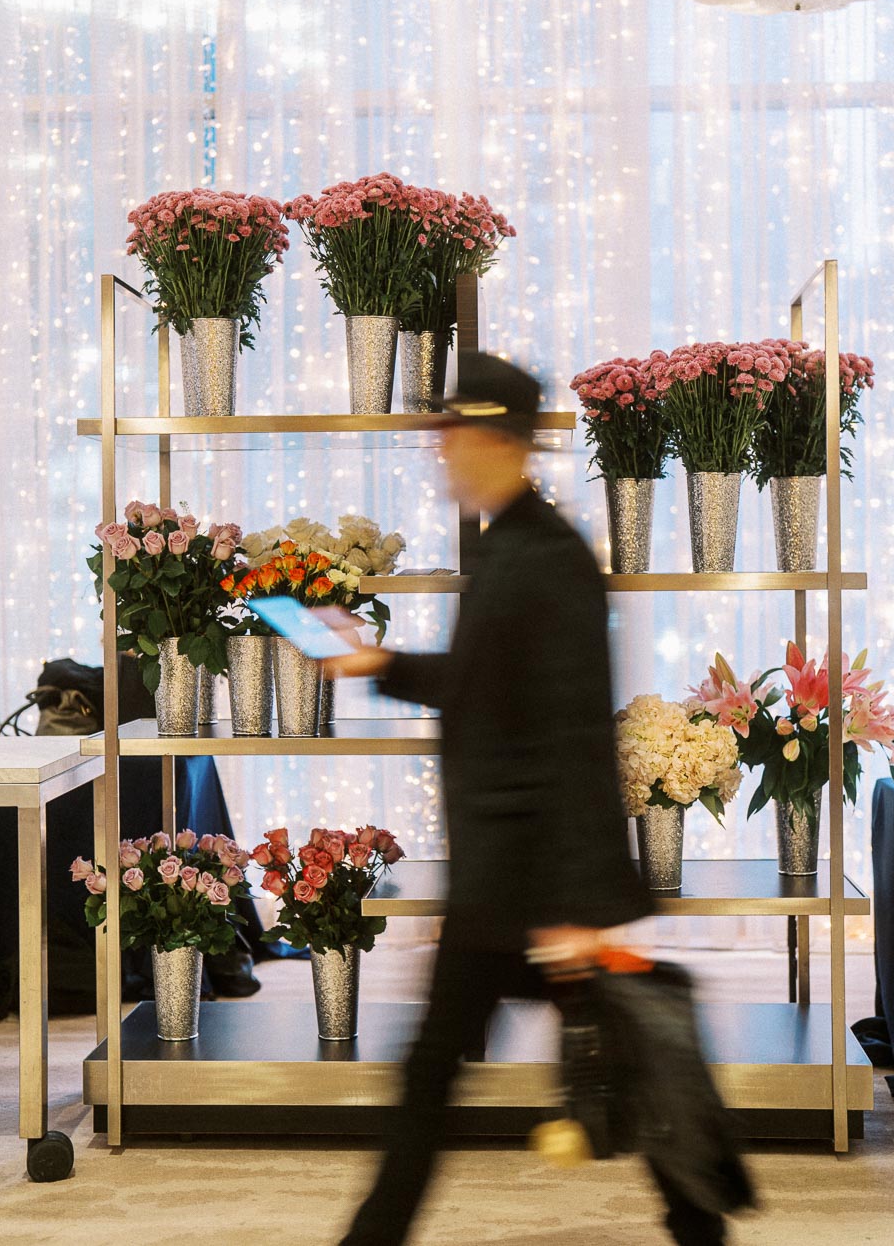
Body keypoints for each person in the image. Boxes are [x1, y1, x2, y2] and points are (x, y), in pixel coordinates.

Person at [329, 353, 732, 1245]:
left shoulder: (543, 558)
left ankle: (700, 1223)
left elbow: (572, 737)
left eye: (451, 437)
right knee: (586, 1062)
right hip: (507, 879)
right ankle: (699, 1223)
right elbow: (485, 685)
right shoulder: (513, 544)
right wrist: (380, 663)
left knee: (474, 1069)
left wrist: (573, 909)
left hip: (526, 886)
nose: (440, 455)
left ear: (497, 440)